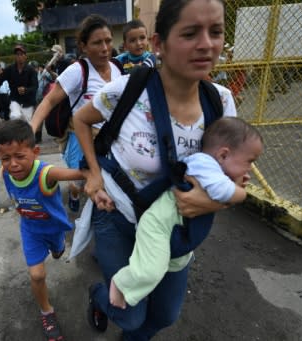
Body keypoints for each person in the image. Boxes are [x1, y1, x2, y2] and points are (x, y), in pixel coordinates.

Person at [72, 1, 236, 339]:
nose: (207, 44)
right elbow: (81, 119)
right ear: (159, 44)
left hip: (173, 229)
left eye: (216, 32)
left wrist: (214, 202)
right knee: (129, 315)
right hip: (118, 214)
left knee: (164, 314)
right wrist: (92, 174)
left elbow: (233, 172)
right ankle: (99, 296)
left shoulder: (220, 102)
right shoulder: (128, 89)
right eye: (190, 33)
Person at [108, 117, 263, 310]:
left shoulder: (214, 169)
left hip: (177, 225)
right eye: (249, 162)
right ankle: (121, 282)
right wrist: (242, 193)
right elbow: (224, 192)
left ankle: (142, 287)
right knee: (151, 271)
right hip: (158, 224)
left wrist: (234, 182)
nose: (250, 169)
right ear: (223, 155)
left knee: (175, 263)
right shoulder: (205, 164)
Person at [0, 119, 85, 341]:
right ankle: (47, 311)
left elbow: (78, 173)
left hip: (53, 228)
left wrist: (95, 175)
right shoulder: (5, 173)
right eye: (6, 158)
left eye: (19, 157)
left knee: (57, 251)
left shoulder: (46, 173)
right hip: (30, 230)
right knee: (37, 274)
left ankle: (59, 245)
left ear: (35, 152)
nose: (13, 164)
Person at [31, 14, 124, 213]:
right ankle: (73, 194)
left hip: (109, 139)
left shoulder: (117, 67)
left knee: (105, 183)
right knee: (79, 181)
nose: (105, 48)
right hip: (81, 139)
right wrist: (30, 131)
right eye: (97, 43)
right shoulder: (78, 71)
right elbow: (49, 100)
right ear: (83, 46)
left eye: (108, 41)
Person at [0, 44, 38, 123]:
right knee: (15, 116)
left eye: (21, 54)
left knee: (27, 124)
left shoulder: (31, 70)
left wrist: (26, 90)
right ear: (15, 56)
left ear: (25, 56)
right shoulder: (9, 69)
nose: (19, 57)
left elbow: (35, 87)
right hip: (15, 100)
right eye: (17, 54)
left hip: (28, 103)